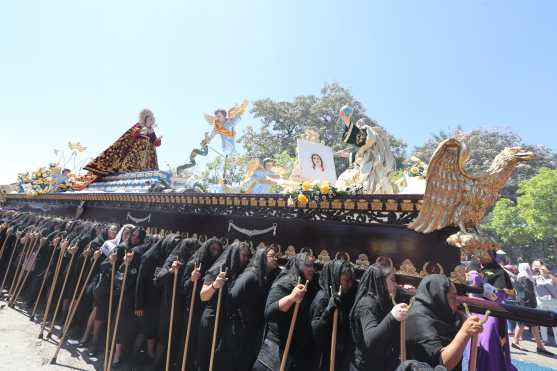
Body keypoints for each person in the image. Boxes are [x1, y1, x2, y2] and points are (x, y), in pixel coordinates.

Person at [252, 252, 317, 371]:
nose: (312, 269)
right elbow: (269, 313)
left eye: (313, 266)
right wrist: (291, 298)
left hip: (291, 352)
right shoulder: (285, 282)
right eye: (308, 265)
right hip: (275, 350)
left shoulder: (305, 283)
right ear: (299, 265)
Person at [406, 274, 484, 371]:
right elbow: (442, 364)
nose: (457, 303)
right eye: (452, 298)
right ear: (438, 296)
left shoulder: (439, 314)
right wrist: (464, 333)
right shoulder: (418, 319)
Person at [349, 263, 408, 371]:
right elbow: (371, 340)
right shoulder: (367, 305)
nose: (396, 285)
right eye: (392, 280)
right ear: (381, 282)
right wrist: (392, 317)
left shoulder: (384, 300)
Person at [229, 246, 280, 370]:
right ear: (263, 257)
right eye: (272, 256)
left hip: (251, 331)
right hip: (239, 330)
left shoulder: (266, 277)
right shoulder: (250, 276)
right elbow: (232, 298)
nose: (276, 258)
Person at [80, 109, 162, 179]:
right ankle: (131, 168)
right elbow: (132, 134)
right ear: (145, 119)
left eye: (152, 120)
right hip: (137, 150)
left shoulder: (151, 130)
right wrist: (141, 131)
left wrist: (158, 140)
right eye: (149, 119)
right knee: (137, 152)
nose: (151, 121)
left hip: (148, 155)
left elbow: (155, 143)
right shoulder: (139, 125)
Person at [310, 259, 356, 371]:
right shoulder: (322, 298)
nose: (350, 285)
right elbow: (316, 332)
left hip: (338, 356)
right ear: (336, 279)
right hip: (323, 359)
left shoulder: (345, 296)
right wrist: (329, 310)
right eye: (347, 280)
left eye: (352, 281)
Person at [512, 263, 554, 355]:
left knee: (527, 323)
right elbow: (528, 293)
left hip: (524, 304)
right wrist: (532, 304)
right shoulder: (525, 278)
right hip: (527, 305)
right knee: (527, 323)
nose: (530, 269)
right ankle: (537, 346)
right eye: (528, 267)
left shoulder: (521, 276)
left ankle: (538, 345)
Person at [536, 265, 557, 346]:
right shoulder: (539, 279)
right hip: (543, 303)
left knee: (554, 323)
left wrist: (548, 273)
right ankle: (545, 340)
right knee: (543, 322)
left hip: (553, 303)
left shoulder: (550, 278)